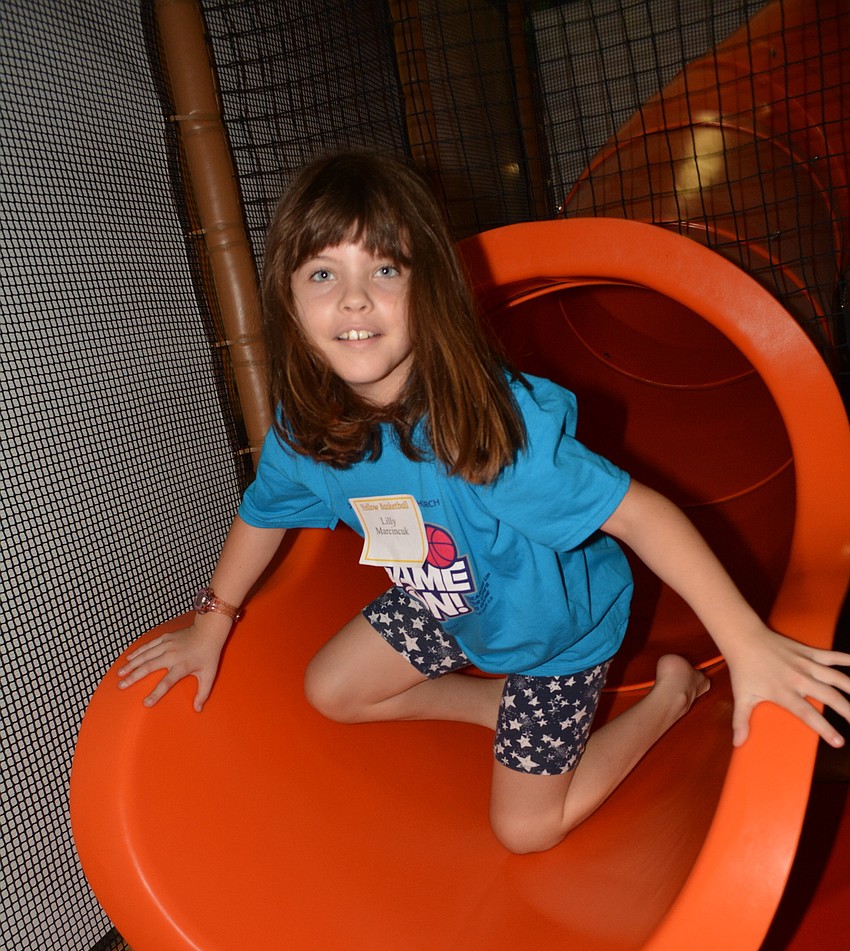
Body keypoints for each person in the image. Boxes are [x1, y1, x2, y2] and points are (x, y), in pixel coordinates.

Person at [117, 151, 850, 854]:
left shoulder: (495, 431)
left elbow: (639, 513)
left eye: (383, 267)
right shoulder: (307, 430)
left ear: (429, 286)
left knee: (526, 831)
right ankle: (501, 709)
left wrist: (747, 644)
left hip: (559, 631)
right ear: (287, 298)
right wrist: (213, 622)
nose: (353, 298)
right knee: (330, 688)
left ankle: (670, 698)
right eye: (321, 272)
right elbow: (263, 511)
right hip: (454, 599)